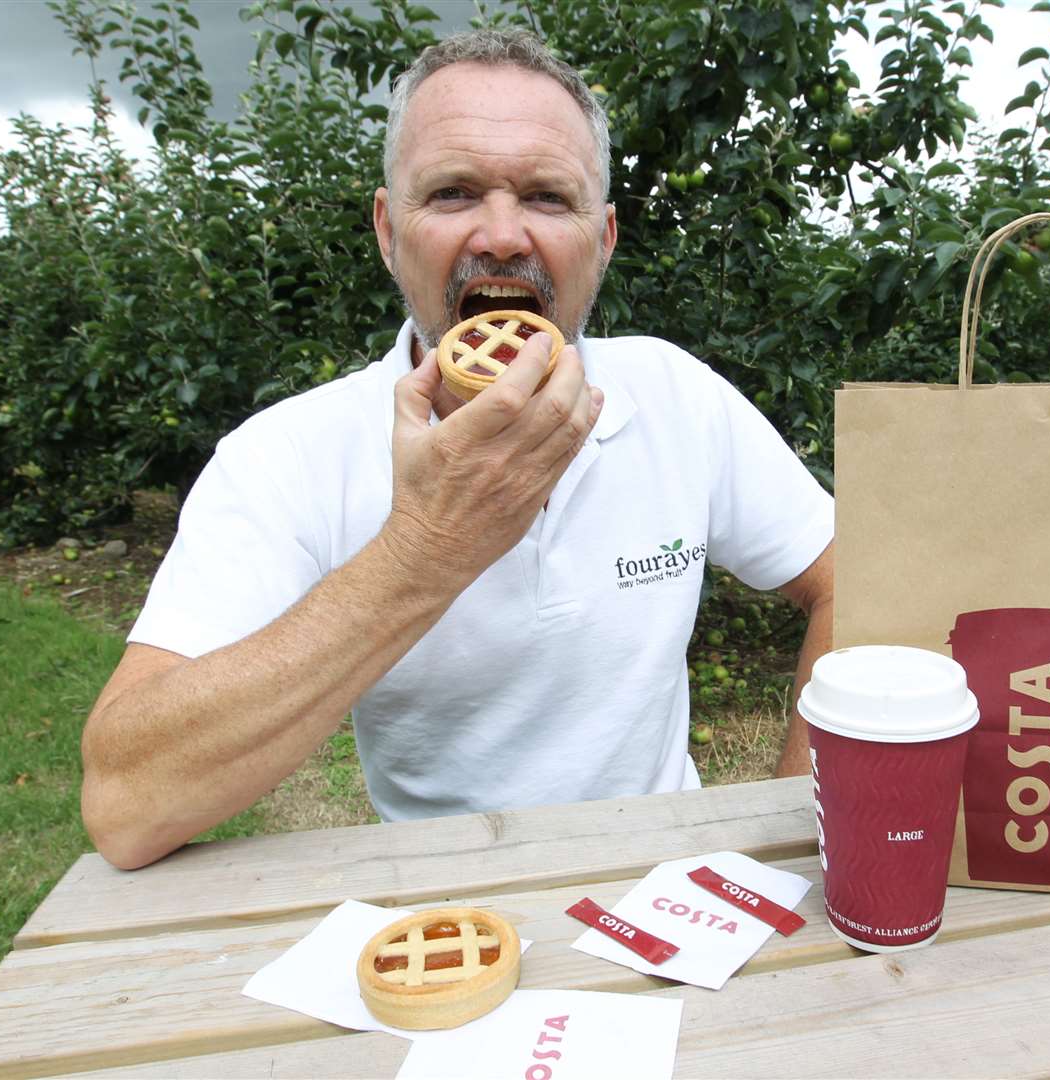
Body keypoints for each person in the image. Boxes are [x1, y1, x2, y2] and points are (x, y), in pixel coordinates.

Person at [80, 28, 835, 870]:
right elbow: (126, 806)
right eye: (452, 193)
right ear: (386, 230)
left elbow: (855, 582)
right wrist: (428, 549)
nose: (503, 235)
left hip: (668, 881)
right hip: (445, 902)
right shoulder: (289, 455)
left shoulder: (675, 399)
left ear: (606, 237)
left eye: (549, 196)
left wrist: (798, 829)